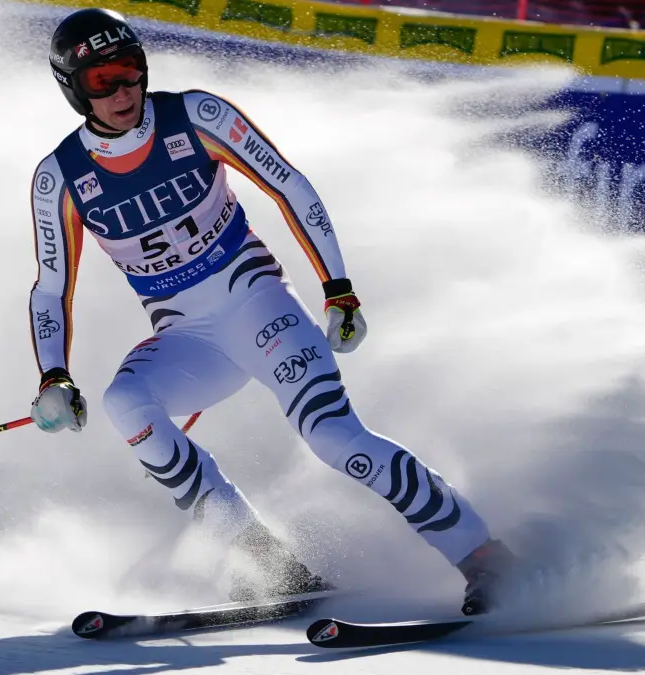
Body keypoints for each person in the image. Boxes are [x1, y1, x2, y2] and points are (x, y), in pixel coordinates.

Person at [27, 7, 517, 614]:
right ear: (74, 89)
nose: (123, 90)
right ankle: (265, 560)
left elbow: (290, 186)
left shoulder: (197, 116)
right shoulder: (60, 178)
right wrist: (53, 375)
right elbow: (52, 288)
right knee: (124, 405)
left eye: (129, 71)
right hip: (188, 339)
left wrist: (337, 287)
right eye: (102, 80)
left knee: (334, 437)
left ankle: (484, 556)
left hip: (258, 306)